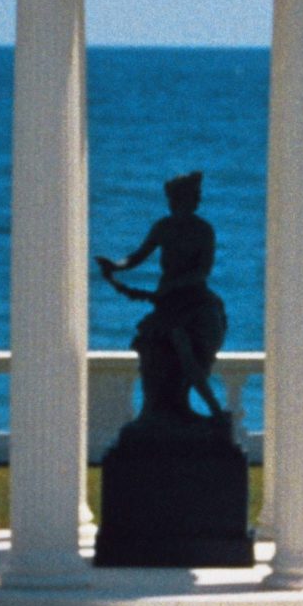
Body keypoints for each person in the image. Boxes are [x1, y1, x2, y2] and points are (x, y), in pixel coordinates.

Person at [95, 170, 230, 419]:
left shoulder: (203, 230)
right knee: (156, 348)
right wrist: (115, 266)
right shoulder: (163, 227)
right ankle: (163, 408)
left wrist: (174, 285)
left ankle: (212, 407)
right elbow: (137, 256)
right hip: (168, 303)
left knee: (184, 345)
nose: (197, 201)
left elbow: (202, 271)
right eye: (193, 196)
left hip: (194, 299)